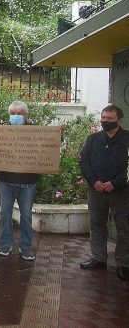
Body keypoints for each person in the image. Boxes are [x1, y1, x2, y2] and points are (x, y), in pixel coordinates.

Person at [79, 105, 129, 281]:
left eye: (109, 119)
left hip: (121, 192)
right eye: (103, 118)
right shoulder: (93, 139)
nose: (105, 121)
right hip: (97, 191)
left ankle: (123, 263)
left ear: (120, 120)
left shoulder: (127, 139)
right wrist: (95, 182)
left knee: (124, 227)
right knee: (97, 224)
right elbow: (84, 162)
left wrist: (115, 183)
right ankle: (99, 258)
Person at [0, 101, 38, 260]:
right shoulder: (1, 132)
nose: (16, 116)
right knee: (5, 212)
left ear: (25, 116)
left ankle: (26, 245)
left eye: (19, 114)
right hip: (5, 180)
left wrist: (57, 135)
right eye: (13, 114)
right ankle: (5, 243)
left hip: (27, 182)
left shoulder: (37, 132)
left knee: (26, 214)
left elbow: (48, 147)